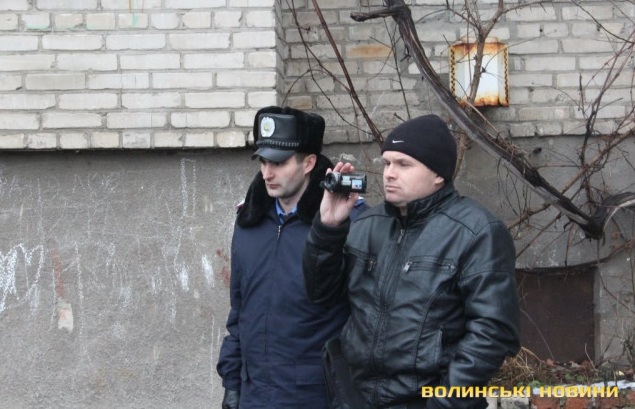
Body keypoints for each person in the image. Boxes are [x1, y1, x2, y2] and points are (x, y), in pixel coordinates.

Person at [302, 114, 520, 409]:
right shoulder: (367, 224)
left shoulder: (476, 231)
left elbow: (493, 333)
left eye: (404, 165)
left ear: (438, 174)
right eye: (387, 163)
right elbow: (321, 295)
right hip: (360, 400)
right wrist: (328, 228)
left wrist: (443, 403)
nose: (389, 174)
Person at [217, 106, 367, 409]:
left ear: (308, 162)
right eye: (263, 161)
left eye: (278, 163)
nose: (266, 173)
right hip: (254, 394)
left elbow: (367, 320)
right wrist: (232, 382)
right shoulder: (249, 220)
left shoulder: (351, 222)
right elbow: (240, 309)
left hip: (315, 394)